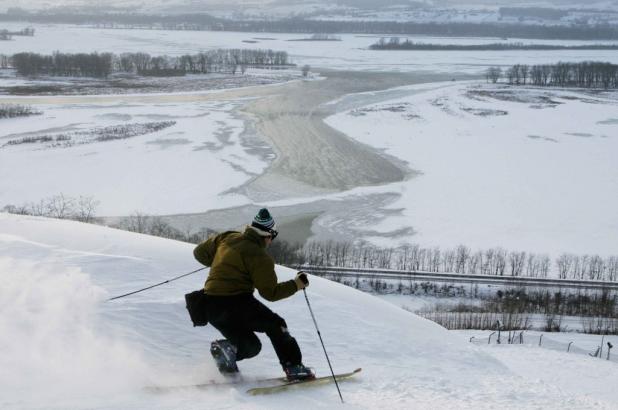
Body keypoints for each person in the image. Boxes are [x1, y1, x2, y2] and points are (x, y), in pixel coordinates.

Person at [193, 208, 314, 381]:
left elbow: (198, 252)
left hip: (210, 306)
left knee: (251, 346)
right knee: (276, 325)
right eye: (272, 237)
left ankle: (227, 355)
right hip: (235, 303)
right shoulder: (259, 256)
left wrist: (221, 262)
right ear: (267, 235)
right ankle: (294, 367)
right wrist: (297, 284)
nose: (271, 242)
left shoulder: (227, 237)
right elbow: (270, 293)